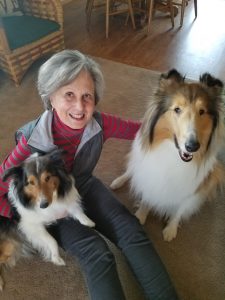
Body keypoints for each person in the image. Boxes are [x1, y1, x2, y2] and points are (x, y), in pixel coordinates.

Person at [0, 50, 179, 300]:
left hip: (83, 184)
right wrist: (21, 215)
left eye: (88, 96)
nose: (79, 106)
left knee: (132, 230)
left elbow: (140, 130)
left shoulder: (100, 123)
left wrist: (179, 131)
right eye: (69, 95)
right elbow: (2, 182)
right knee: (97, 253)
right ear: (50, 97)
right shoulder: (29, 141)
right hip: (52, 206)